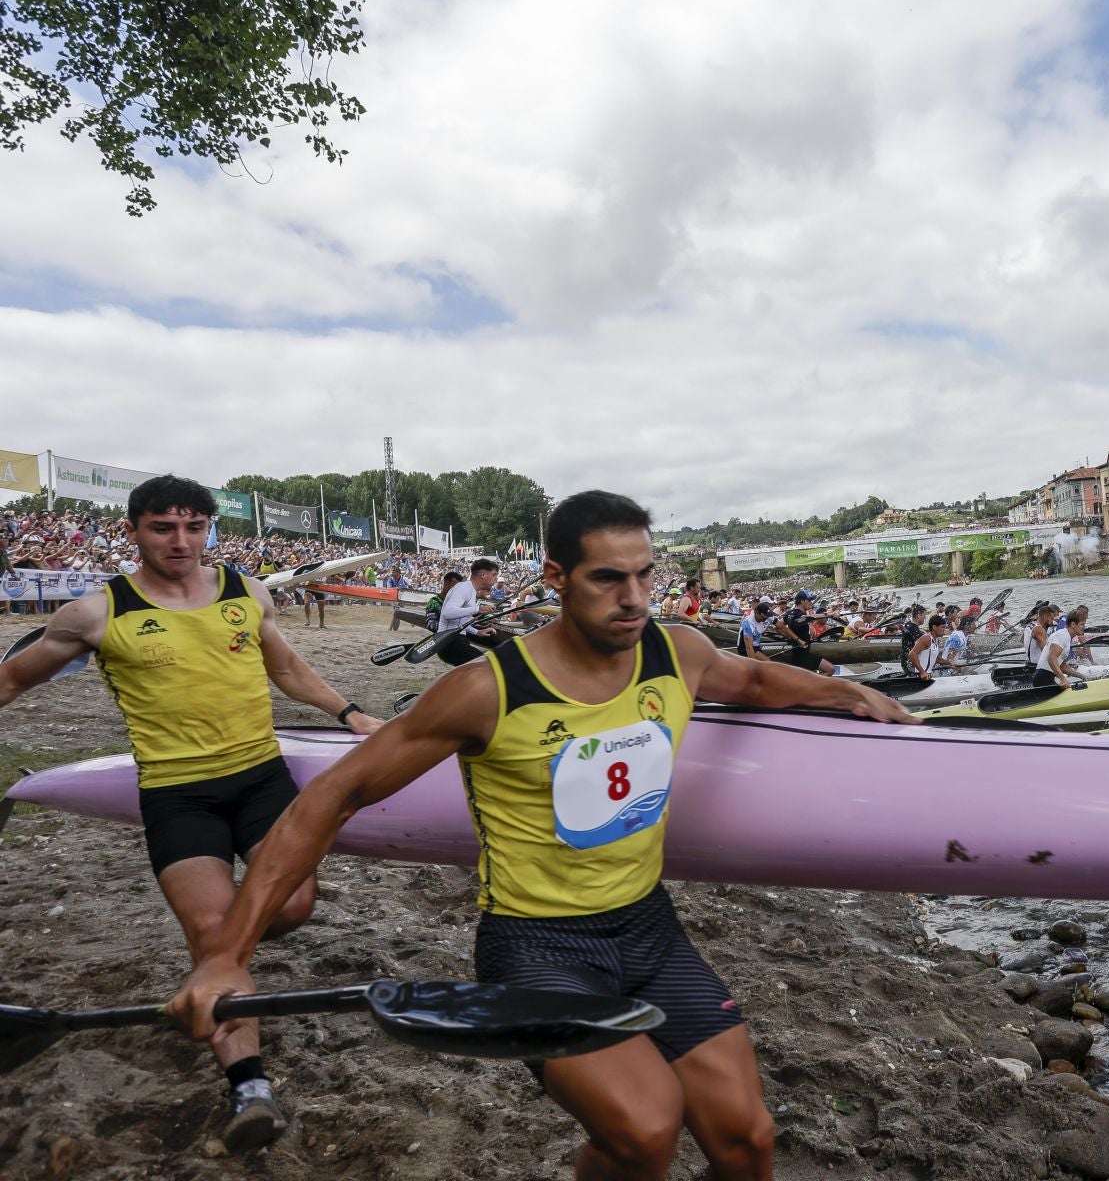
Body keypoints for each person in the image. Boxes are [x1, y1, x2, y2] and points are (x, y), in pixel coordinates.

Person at [171, 490, 917, 1179]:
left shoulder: (675, 652)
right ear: (556, 577)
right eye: (607, 580)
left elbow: (750, 681)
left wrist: (846, 690)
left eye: (645, 577)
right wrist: (230, 957)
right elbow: (330, 799)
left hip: (650, 931)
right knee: (647, 1130)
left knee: (747, 1139)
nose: (633, 600)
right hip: (538, 948)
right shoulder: (488, 690)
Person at [0, 475, 381, 1151]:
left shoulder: (245, 592)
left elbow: (287, 668)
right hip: (178, 795)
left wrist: (350, 714)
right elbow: (12, 678)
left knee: (291, 909)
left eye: (193, 527)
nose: (180, 541)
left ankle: (220, 967)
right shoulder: (95, 613)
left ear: (208, 530)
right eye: (162, 527)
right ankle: (249, 1086)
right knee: (211, 930)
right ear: (134, 531)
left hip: (262, 781)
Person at [438, 558, 509, 666]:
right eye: (494, 575)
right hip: (448, 642)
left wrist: (477, 632)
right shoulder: (464, 588)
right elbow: (447, 613)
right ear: (483, 575)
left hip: (456, 640)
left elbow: (459, 622)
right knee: (487, 666)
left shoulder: (470, 590)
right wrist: (478, 609)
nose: (495, 579)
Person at [774, 589, 837, 676]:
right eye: (809, 600)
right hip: (802, 655)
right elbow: (810, 617)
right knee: (830, 669)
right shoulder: (800, 615)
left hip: (798, 653)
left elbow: (777, 626)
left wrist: (788, 636)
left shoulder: (789, 614)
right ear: (802, 601)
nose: (811, 602)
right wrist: (831, 614)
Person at [1041, 607, 1088, 688]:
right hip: (1043, 680)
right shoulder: (1062, 636)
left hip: (1048, 678)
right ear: (1073, 624)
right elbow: (1051, 659)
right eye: (1081, 624)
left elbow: (1062, 666)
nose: (1084, 627)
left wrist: (1081, 676)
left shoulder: (1066, 636)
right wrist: (1062, 679)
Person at [1022, 604, 1059, 686]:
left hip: (1030, 664)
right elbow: (1047, 654)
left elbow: (1022, 640)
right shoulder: (1039, 629)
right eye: (1051, 618)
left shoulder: (1029, 625)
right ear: (1045, 616)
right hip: (1039, 668)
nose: (1052, 621)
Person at [906, 613, 946, 679]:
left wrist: (949, 662)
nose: (944, 629)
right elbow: (911, 654)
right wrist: (922, 672)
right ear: (934, 627)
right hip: (920, 677)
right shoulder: (927, 638)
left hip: (927, 676)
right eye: (942, 627)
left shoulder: (935, 640)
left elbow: (936, 658)